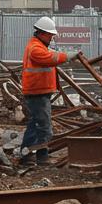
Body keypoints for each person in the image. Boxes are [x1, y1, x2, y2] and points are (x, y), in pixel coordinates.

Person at [20, 16, 83, 166]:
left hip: (39, 91)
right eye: (50, 35)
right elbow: (50, 58)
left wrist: (68, 55)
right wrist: (68, 56)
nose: (52, 38)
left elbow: (53, 54)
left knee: (37, 124)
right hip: (37, 92)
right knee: (43, 126)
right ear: (41, 33)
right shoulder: (35, 49)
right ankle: (36, 156)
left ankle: (32, 155)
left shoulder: (38, 45)